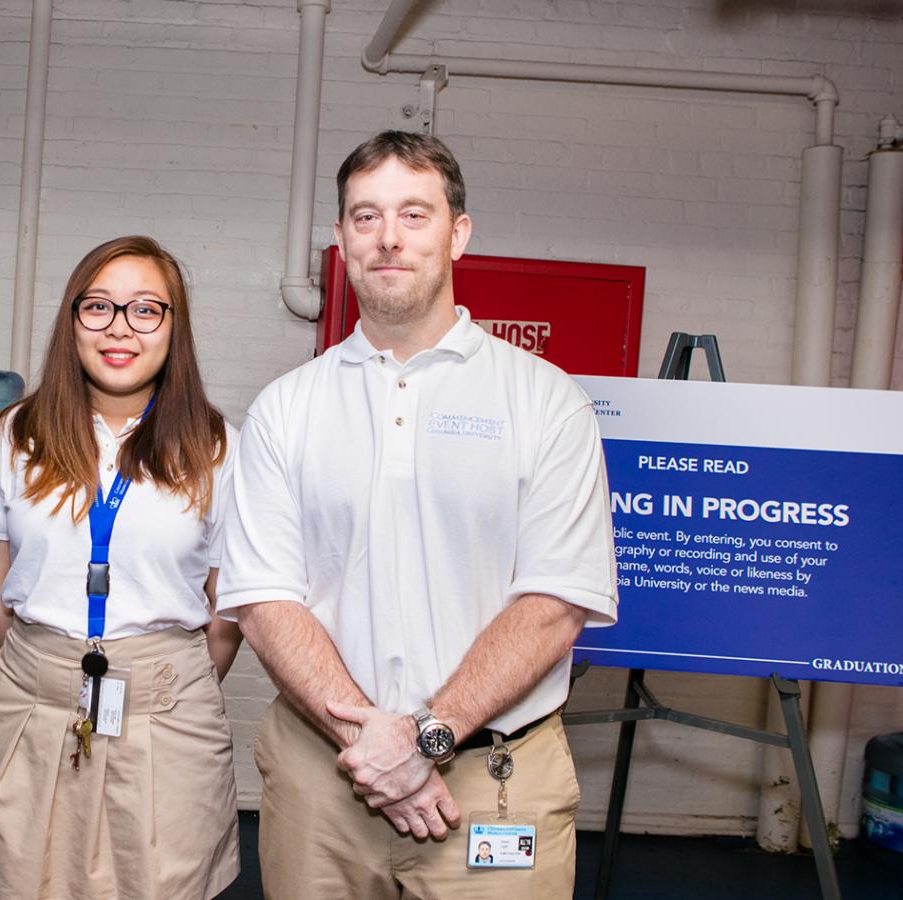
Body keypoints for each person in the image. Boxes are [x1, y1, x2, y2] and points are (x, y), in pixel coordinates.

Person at [216, 130, 618, 899]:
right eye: (365, 217)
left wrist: (424, 740)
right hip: (325, 784)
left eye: (414, 213)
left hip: (496, 781)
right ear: (340, 240)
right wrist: (373, 747)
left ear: (458, 233)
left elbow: (555, 602)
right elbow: (265, 602)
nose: (389, 238)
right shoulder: (285, 409)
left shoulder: (546, 402)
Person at [0, 236, 242, 900]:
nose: (120, 328)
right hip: (32, 699)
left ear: (176, 329)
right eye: (99, 308)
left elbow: (227, 603)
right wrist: (34, 662)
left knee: (161, 882)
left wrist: (165, 681)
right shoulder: (18, 433)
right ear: (72, 321)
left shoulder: (219, 446)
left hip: (167, 712)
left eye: (147, 309)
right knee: (18, 877)